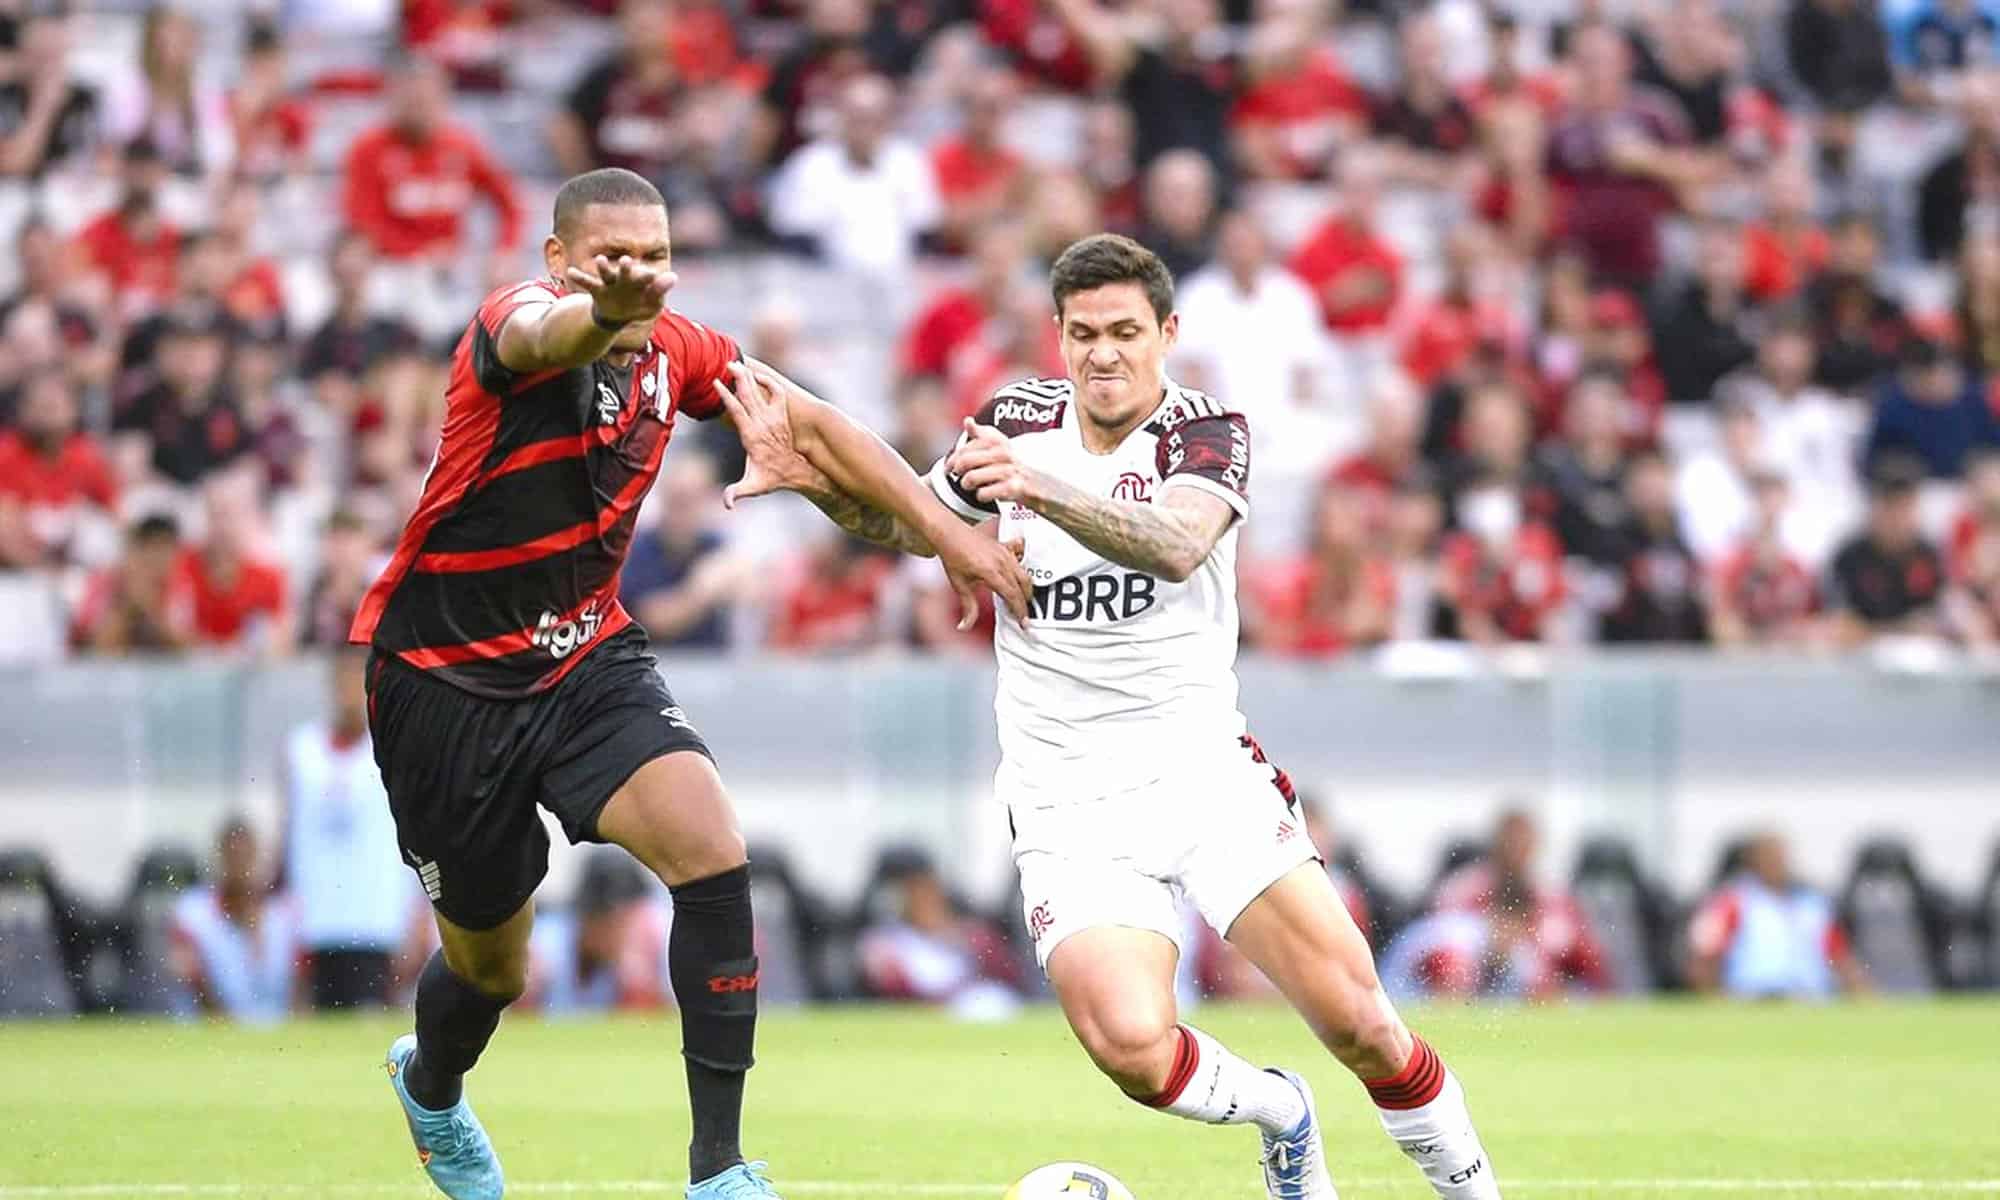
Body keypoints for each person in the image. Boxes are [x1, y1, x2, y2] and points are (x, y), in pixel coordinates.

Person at [721, 234, 1501, 1200]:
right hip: (1065, 799)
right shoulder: (1015, 422)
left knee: (1362, 1025)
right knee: (1132, 1049)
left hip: (1200, 775)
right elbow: (909, 525)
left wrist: (1040, 488)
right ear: (1057, 337)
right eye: (1083, 332)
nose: (1104, 352)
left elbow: (1175, 544)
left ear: (1167, 334)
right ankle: (1283, 1115)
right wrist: (821, 488)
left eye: (1127, 331)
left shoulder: (1204, 431)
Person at [351, 167, 1029, 1200]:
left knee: (710, 847)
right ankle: (432, 1084)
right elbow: (551, 335)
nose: (640, 279)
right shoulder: (513, 328)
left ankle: (717, 1170)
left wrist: (951, 542)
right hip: (446, 687)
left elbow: (816, 425)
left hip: (584, 658)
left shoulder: (678, 351)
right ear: (559, 262)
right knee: (493, 968)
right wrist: (603, 307)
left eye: (655, 261)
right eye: (612, 260)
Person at [284, 647, 414, 1010]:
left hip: (377, 918)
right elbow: (290, 831)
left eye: (356, 683)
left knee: (371, 1020)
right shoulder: (301, 750)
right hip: (318, 916)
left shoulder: (394, 747)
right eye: (341, 681)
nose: (347, 692)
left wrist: (417, 912)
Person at [1687, 831, 1868, 998]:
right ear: (1753, 862)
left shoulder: (1812, 905)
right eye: (1768, 857)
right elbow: (1706, 954)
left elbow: (1839, 955)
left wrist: (1861, 991)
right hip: (1750, 999)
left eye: (1780, 857)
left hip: (1809, 999)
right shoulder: (1732, 901)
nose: (1776, 863)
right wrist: (1713, 996)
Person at [168, 818, 300, 1021]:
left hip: (276, 1027)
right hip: (213, 1028)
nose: (240, 866)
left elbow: (302, 983)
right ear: (220, 858)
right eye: (233, 856)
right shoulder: (194, 912)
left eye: (246, 856)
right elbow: (187, 976)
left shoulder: (284, 913)